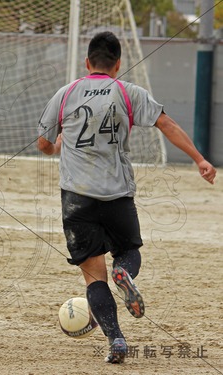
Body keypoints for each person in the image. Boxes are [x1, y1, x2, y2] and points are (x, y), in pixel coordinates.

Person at [37, 31, 216, 364]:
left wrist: (58, 144)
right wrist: (199, 159)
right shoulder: (128, 92)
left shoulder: (65, 94)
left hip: (77, 198)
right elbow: (166, 123)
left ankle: (117, 341)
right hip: (117, 194)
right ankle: (124, 271)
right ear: (118, 64)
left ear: (87, 62)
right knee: (130, 252)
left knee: (93, 275)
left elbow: (44, 143)